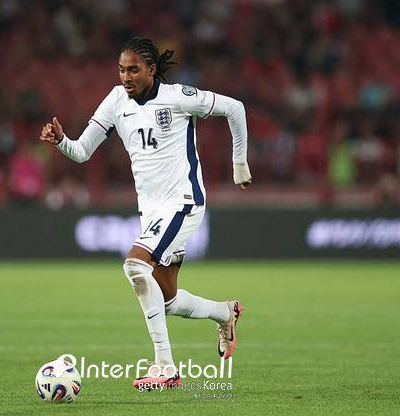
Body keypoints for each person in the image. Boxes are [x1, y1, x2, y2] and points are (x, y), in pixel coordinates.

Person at [39, 37, 251, 390]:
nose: (126, 77)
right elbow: (82, 151)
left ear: (152, 69)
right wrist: (62, 141)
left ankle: (165, 367)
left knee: (135, 266)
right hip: (152, 212)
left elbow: (235, 108)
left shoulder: (178, 97)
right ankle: (224, 312)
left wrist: (239, 163)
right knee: (166, 300)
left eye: (134, 70)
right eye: (122, 70)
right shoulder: (115, 101)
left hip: (184, 202)